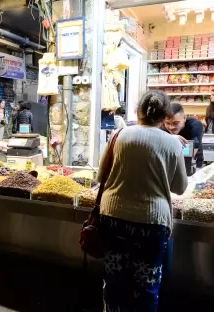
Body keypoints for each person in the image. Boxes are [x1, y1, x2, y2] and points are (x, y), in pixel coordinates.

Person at [98, 90, 188, 312]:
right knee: (146, 286)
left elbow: (101, 176)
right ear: (164, 116)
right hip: (151, 222)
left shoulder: (118, 135)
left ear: (138, 111)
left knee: (114, 281)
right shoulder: (173, 143)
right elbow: (180, 187)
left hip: (113, 217)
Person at [164, 103, 204, 173]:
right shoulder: (162, 126)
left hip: (194, 163)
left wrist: (168, 141)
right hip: (169, 166)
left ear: (184, 118)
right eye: (167, 123)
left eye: (175, 123)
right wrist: (170, 138)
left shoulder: (195, 125)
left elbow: (193, 149)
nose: (171, 127)